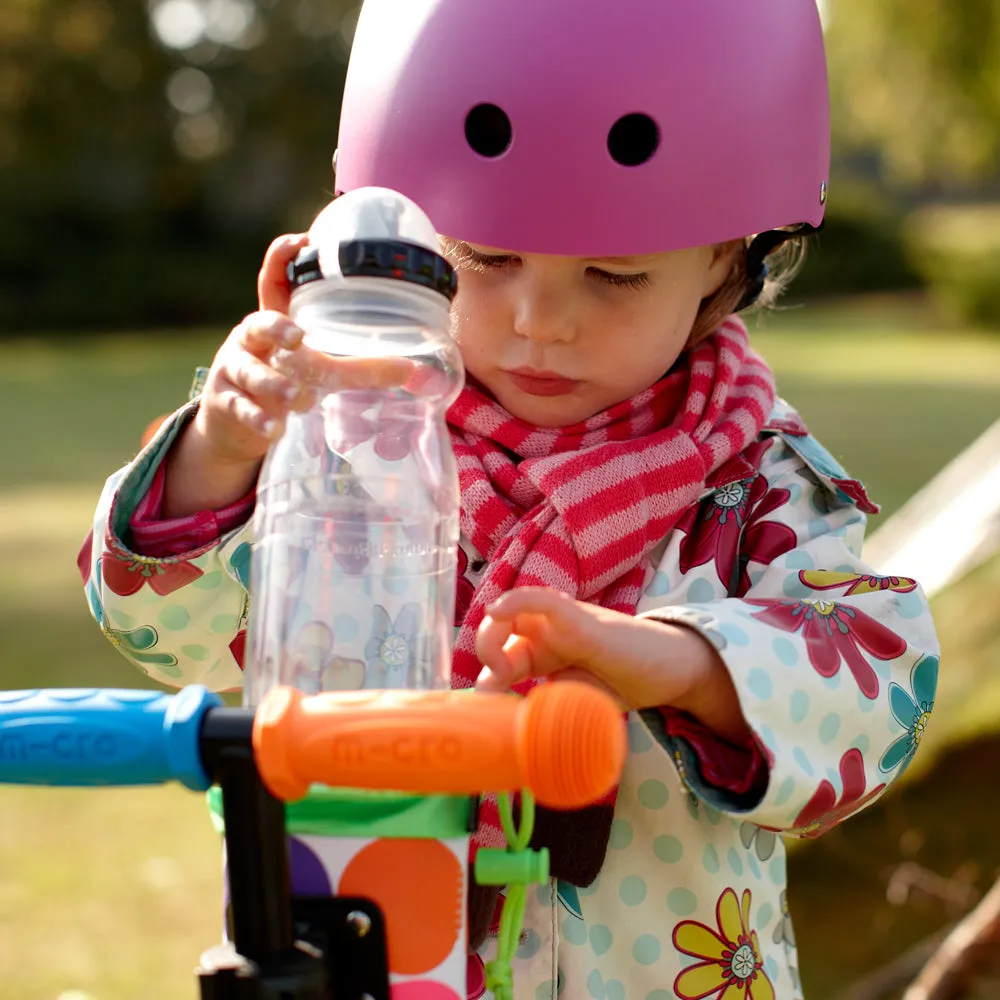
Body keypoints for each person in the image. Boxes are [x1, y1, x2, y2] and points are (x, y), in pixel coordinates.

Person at [79, 1, 940, 997]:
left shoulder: (753, 480)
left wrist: (685, 662)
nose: (539, 321)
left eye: (613, 275)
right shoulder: (359, 441)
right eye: (485, 259)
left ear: (724, 259)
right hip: (372, 952)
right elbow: (163, 628)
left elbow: (879, 687)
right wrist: (219, 454)